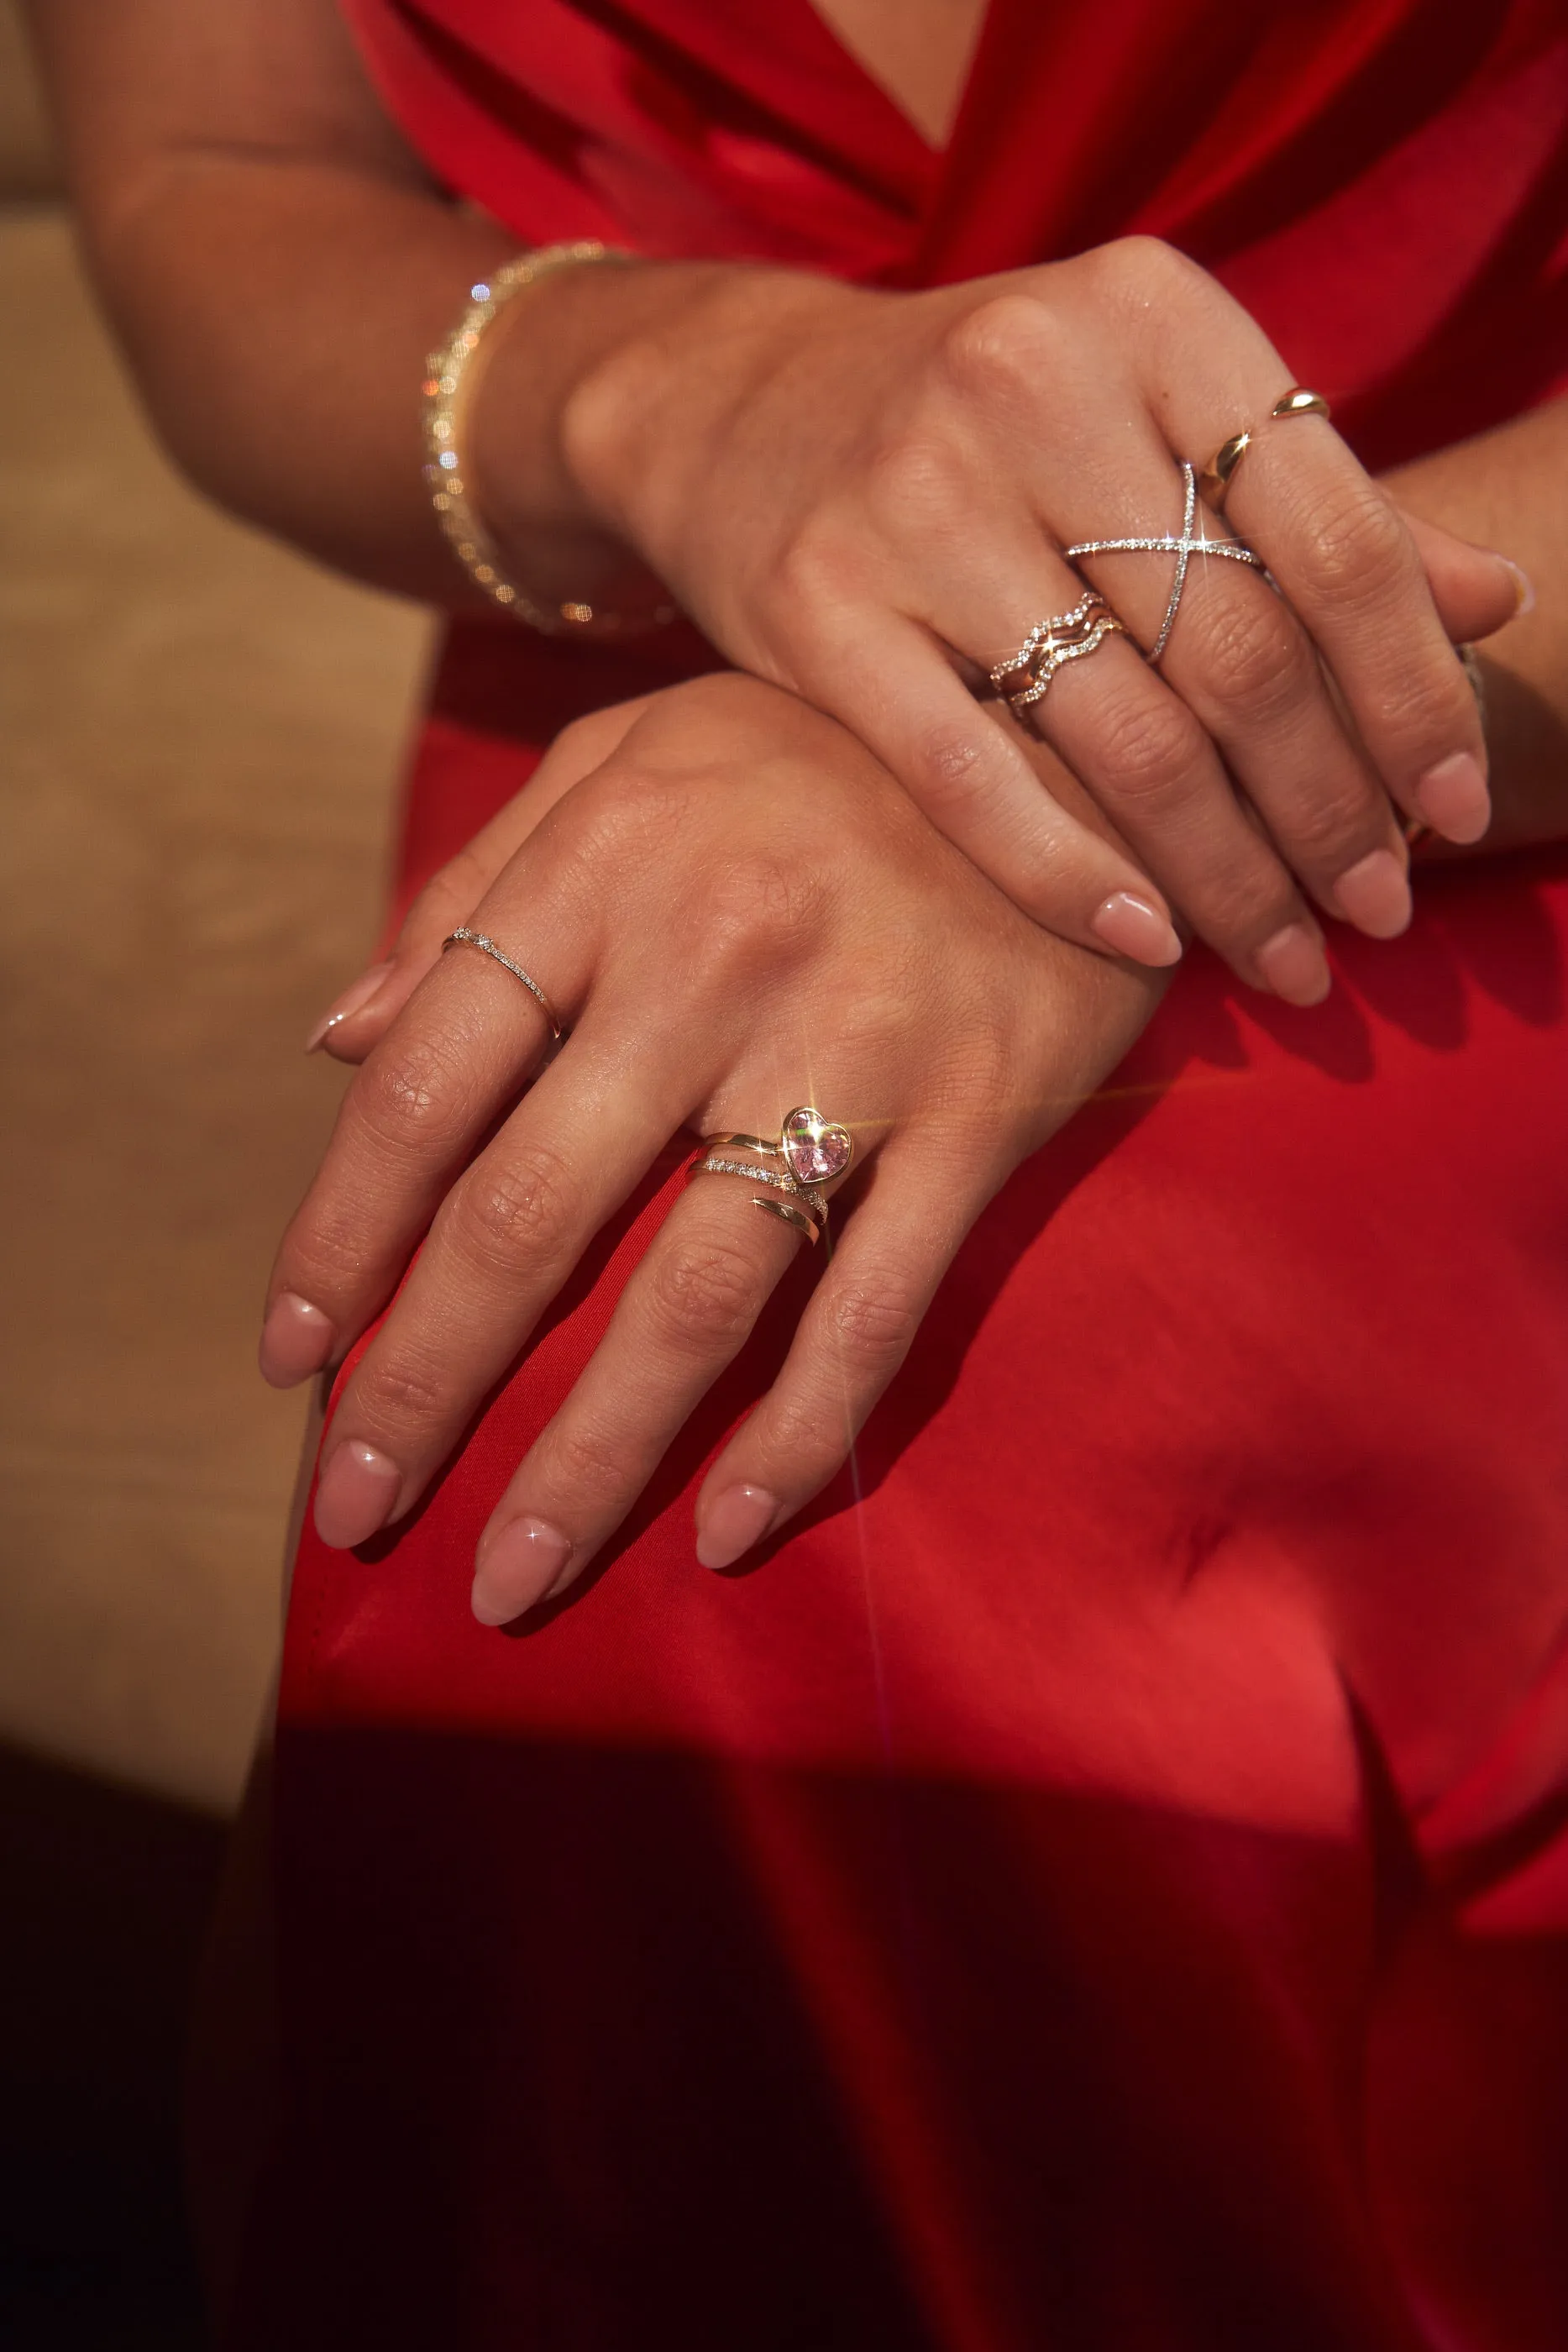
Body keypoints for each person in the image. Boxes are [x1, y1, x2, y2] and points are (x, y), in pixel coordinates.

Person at [28, 0, 1568, 2343]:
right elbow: (217, 178)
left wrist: (1042, 740)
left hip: (1497, 652)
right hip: (650, 651)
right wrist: (675, 390)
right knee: (634, 1443)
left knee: (881, 1552)